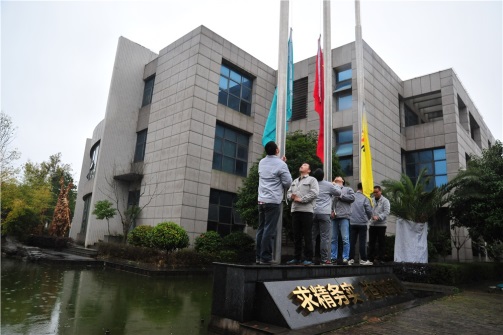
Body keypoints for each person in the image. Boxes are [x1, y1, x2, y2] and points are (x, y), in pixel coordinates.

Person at [256, 141, 292, 265]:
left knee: (261, 228)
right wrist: (282, 163)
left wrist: (281, 162)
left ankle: (258, 256)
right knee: (269, 230)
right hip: (273, 200)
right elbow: (288, 182)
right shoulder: (281, 165)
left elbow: (272, 169)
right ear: (277, 150)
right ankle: (266, 257)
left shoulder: (261, 162)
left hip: (261, 200)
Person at [286, 163, 319, 266]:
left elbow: (315, 193)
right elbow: (288, 193)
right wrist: (291, 196)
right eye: (301, 165)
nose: (301, 166)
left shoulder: (312, 180)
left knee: (307, 235)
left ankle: (308, 258)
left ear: (309, 170)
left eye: (304, 165)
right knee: (297, 236)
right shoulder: (295, 181)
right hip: (295, 210)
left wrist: (301, 199)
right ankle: (297, 258)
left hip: (307, 211)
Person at [312, 168, 341, 265]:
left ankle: (310, 257)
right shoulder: (329, 185)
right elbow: (338, 193)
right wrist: (335, 184)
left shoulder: (313, 184)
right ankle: (324, 259)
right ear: (323, 176)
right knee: (325, 237)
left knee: (312, 236)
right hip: (324, 213)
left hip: (313, 212)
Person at [331, 176, 355, 265]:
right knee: (333, 238)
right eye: (335, 179)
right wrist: (331, 211)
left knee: (345, 238)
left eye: (338, 179)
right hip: (334, 217)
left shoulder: (348, 189)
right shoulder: (332, 190)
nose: (337, 179)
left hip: (344, 216)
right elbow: (330, 202)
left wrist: (340, 195)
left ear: (342, 181)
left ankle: (345, 257)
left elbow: (352, 198)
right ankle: (333, 257)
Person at [348, 183, 373, 265]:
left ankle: (350, 259)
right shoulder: (365, 198)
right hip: (362, 223)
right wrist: (368, 218)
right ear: (363, 188)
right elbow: (369, 211)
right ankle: (363, 259)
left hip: (352, 222)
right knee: (362, 242)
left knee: (352, 241)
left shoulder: (352, 196)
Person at [368, 185, 391, 264]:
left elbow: (387, 212)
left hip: (381, 225)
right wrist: (371, 217)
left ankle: (381, 258)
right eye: (374, 192)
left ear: (380, 191)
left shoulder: (385, 201)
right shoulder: (371, 200)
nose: (375, 194)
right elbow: (369, 211)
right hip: (372, 225)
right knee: (371, 242)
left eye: (377, 192)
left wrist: (378, 217)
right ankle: (371, 259)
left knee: (381, 242)